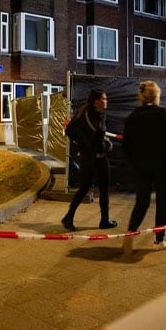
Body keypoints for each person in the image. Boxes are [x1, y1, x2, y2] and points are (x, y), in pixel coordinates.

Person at [122, 80, 166, 252]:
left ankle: (130, 233)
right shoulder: (164, 115)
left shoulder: (133, 116)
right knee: (162, 202)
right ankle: (159, 240)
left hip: (140, 164)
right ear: (156, 96)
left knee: (142, 201)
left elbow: (127, 143)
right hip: (161, 165)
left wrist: (133, 160)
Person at [61, 89, 118, 231]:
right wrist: (103, 147)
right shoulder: (98, 115)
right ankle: (104, 220)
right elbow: (98, 135)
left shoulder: (82, 113)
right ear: (96, 101)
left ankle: (69, 217)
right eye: (104, 99)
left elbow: (69, 131)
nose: (106, 101)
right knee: (104, 188)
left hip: (87, 157)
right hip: (98, 158)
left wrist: (82, 145)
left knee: (84, 187)